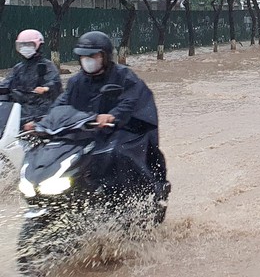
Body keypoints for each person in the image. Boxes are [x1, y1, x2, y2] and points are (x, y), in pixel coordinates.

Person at [48, 31, 168, 198]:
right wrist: (43, 122)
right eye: (83, 57)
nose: (88, 60)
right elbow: (61, 104)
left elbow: (131, 101)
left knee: (119, 154)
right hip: (86, 133)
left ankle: (136, 197)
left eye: (93, 56)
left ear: (105, 56)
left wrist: (112, 115)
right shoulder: (76, 82)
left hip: (122, 132)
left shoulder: (124, 76)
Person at [0, 29, 61, 127]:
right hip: (18, 111)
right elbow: (6, 84)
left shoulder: (46, 66)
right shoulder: (18, 68)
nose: (25, 48)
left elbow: (55, 84)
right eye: (22, 45)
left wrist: (46, 88)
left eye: (29, 45)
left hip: (40, 112)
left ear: (38, 46)